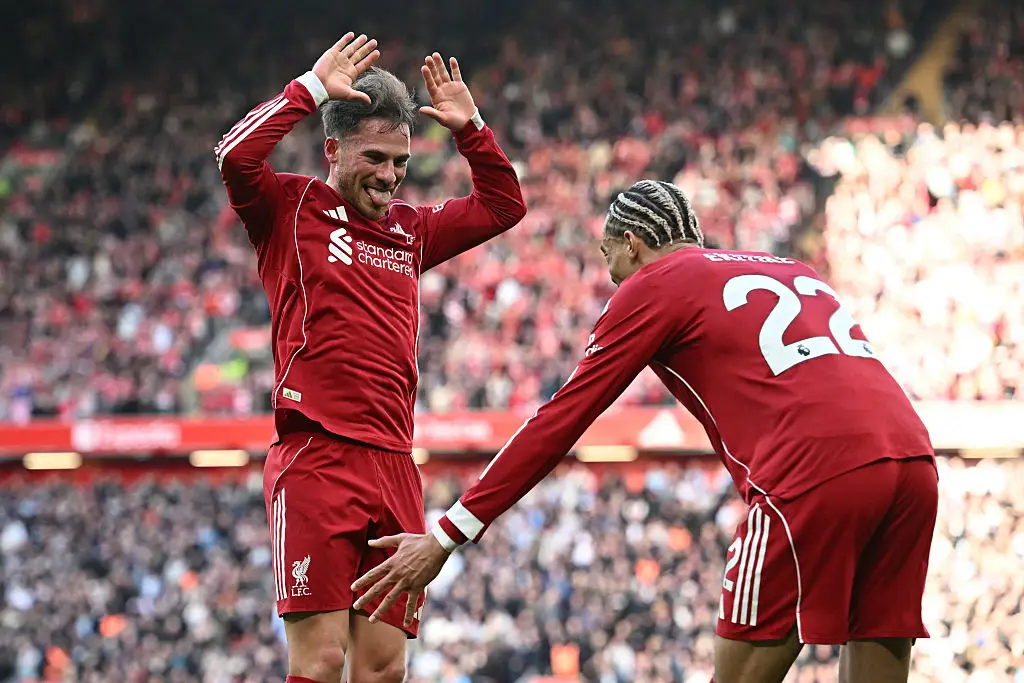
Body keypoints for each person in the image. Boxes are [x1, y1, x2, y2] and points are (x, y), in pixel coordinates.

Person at [352, 180, 938, 683]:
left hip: (812, 471)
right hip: (914, 460)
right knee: (877, 650)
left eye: (608, 257)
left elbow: (563, 418)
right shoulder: (791, 267)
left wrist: (447, 536)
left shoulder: (656, 283)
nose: (611, 276)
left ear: (631, 244)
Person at [216, 33, 526, 683]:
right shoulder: (289, 209)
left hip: (394, 464)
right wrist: (306, 89)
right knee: (322, 659)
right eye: (375, 158)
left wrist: (471, 129)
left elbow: (504, 205)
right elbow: (235, 156)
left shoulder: (411, 232)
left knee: (384, 668)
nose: (388, 176)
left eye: (400, 162)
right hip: (316, 457)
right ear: (333, 149)